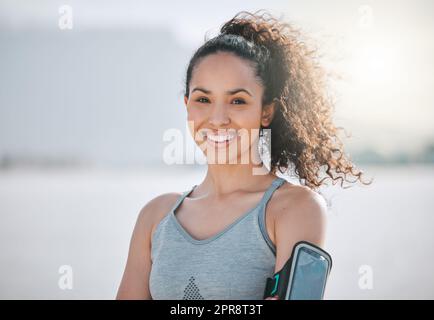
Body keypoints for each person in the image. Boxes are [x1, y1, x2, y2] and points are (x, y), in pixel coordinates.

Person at [116, 9, 370, 300]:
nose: (218, 117)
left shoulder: (292, 209)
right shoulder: (155, 216)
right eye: (203, 99)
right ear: (187, 105)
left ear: (266, 111)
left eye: (237, 100)